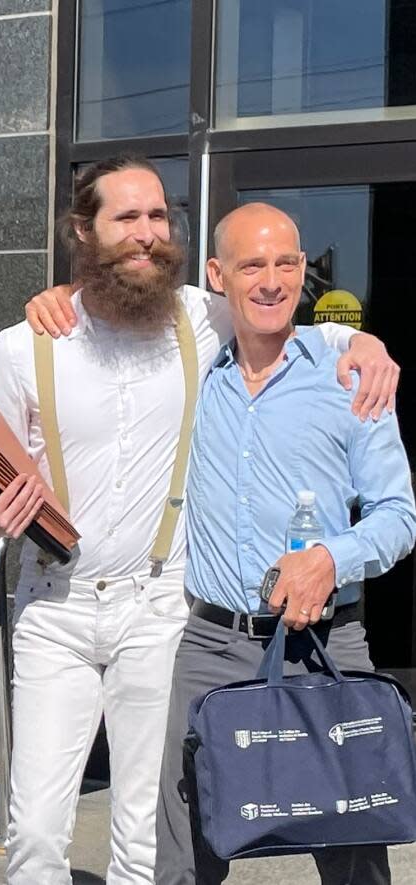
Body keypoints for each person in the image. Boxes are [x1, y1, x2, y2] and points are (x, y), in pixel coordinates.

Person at [0, 155, 399, 885]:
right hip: (55, 607)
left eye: (158, 216)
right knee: (35, 828)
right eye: (126, 217)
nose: (146, 232)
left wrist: (364, 342)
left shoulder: (202, 314)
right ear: (85, 230)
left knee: (146, 830)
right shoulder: (24, 345)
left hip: (160, 605)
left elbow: (286, 315)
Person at [154, 202, 416, 885]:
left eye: (285, 263)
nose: (270, 281)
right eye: (251, 264)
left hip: (326, 644)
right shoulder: (191, 378)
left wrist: (332, 558)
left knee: (353, 845)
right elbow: (112, 286)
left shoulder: (349, 376)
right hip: (212, 648)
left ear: (303, 271)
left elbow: (398, 515)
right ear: (218, 275)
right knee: (186, 848)